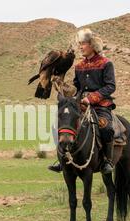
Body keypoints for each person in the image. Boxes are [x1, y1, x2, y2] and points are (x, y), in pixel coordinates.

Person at [49, 28, 116, 174]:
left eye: (83, 43)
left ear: (92, 45)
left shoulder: (106, 63)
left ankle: (106, 161)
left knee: (106, 128)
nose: (80, 47)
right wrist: (62, 85)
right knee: (60, 125)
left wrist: (91, 98)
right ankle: (61, 159)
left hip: (100, 105)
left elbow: (111, 86)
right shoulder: (79, 66)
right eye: (79, 44)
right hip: (81, 105)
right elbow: (76, 88)